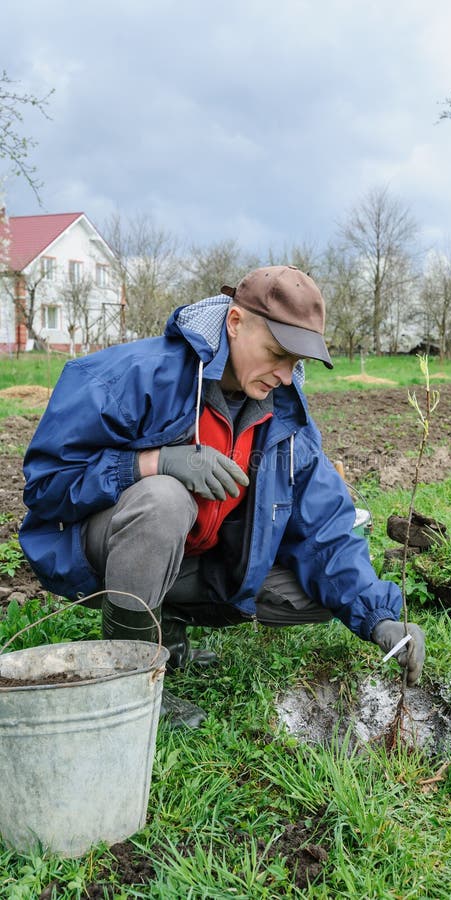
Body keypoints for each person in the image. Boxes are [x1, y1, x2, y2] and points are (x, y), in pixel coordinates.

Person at [19, 265, 425, 726]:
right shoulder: (134, 377)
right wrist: (152, 463)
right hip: (101, 553)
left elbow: (325, 529)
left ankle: (168, 636)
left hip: (198, 562)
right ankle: (127, 683)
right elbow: (47, 485)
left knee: (318, 594)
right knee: (164, 501)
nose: (286, 377)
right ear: (235, 323)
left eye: (297, 363)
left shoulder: (284, 419)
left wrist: (379, 618)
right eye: (277, 354)